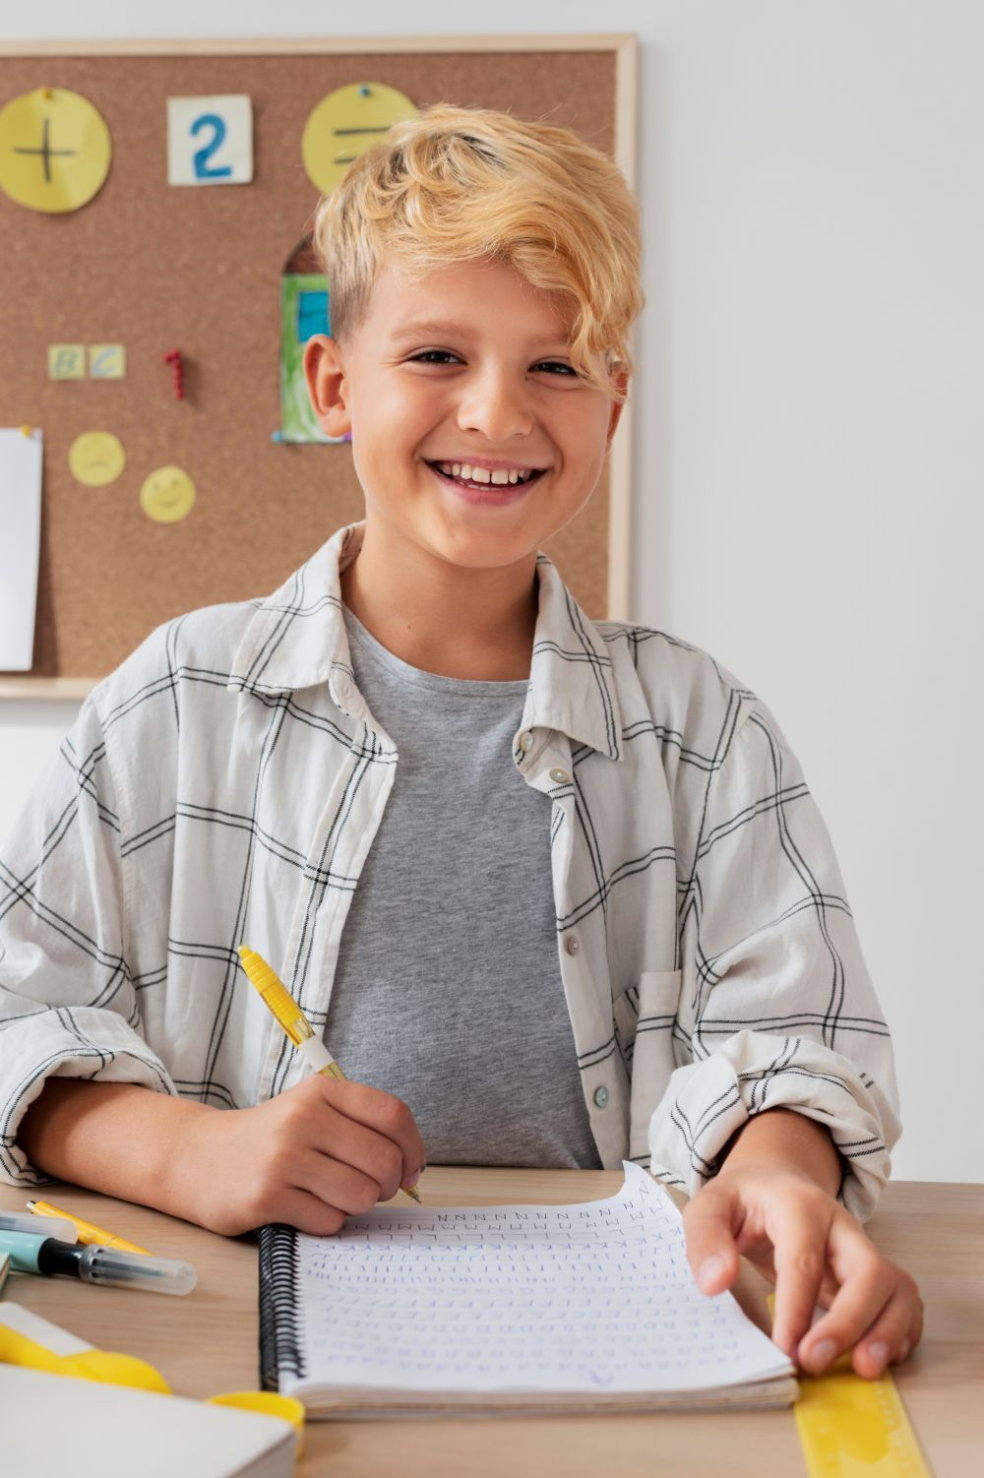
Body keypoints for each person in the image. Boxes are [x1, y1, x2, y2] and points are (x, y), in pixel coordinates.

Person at [0, 105, 920, 1381]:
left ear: (615, 399)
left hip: (621, 1346)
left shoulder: (701, 728)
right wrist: (178, 1148)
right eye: (437, 353)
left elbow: (799, 1038)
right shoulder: (177, 699)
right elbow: (15, 1013)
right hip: (227, 1352)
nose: (497, 413)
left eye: (556, 365)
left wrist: (776, 1174)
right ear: (331, 384)